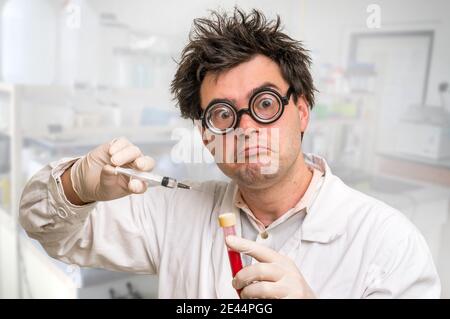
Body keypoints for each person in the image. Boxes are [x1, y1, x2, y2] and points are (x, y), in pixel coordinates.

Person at [19, 8, 440, 298]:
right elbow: (50, 232)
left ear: (302, 110)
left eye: (266, 103)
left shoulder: (387, 240)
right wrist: (77, 185)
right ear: (206, 137)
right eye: (223, 115)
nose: (247, 126)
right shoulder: (171, 213)